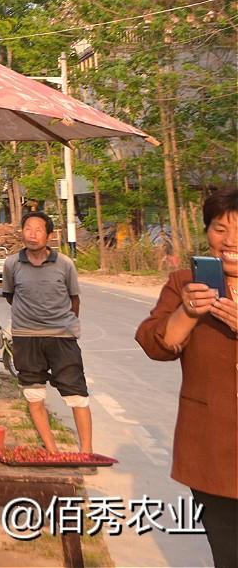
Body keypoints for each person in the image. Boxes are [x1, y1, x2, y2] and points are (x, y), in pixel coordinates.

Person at [135, 188, 238, 568]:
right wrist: (188, 312)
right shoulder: (185, 282)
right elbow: (155, 343)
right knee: (229, 555)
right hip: (212, 448)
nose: (230, 241)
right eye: (220, 228)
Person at [2, 210, 93, 453]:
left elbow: (74, 300)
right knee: (34, 394)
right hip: (26, 338)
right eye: (28, 229)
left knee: (77, 394)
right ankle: (51, 450)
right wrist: (30, 320)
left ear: (50, 235)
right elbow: (11, 295)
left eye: (38, 230)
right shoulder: (12, 264)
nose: (32, 234)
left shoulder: (65, 264)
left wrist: (63, 324)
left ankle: (86, 452)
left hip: (62, 337)